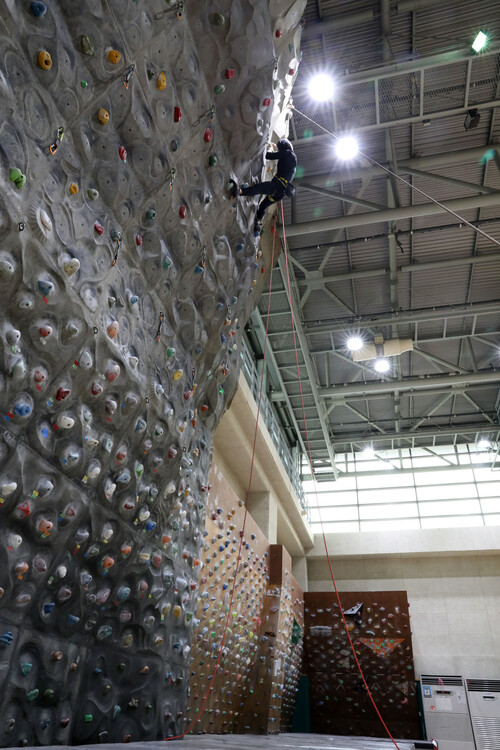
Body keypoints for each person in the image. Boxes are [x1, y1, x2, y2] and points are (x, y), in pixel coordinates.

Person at [238, 138, 297, 232]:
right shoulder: (293, 160)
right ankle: (257, 223)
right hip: (280, 194)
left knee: (259, 188)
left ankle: (240, 191)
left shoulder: (288, 153)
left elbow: (268, 156)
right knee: (263, 205)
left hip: (277, 186)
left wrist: (269, 148)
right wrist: (275, 148)